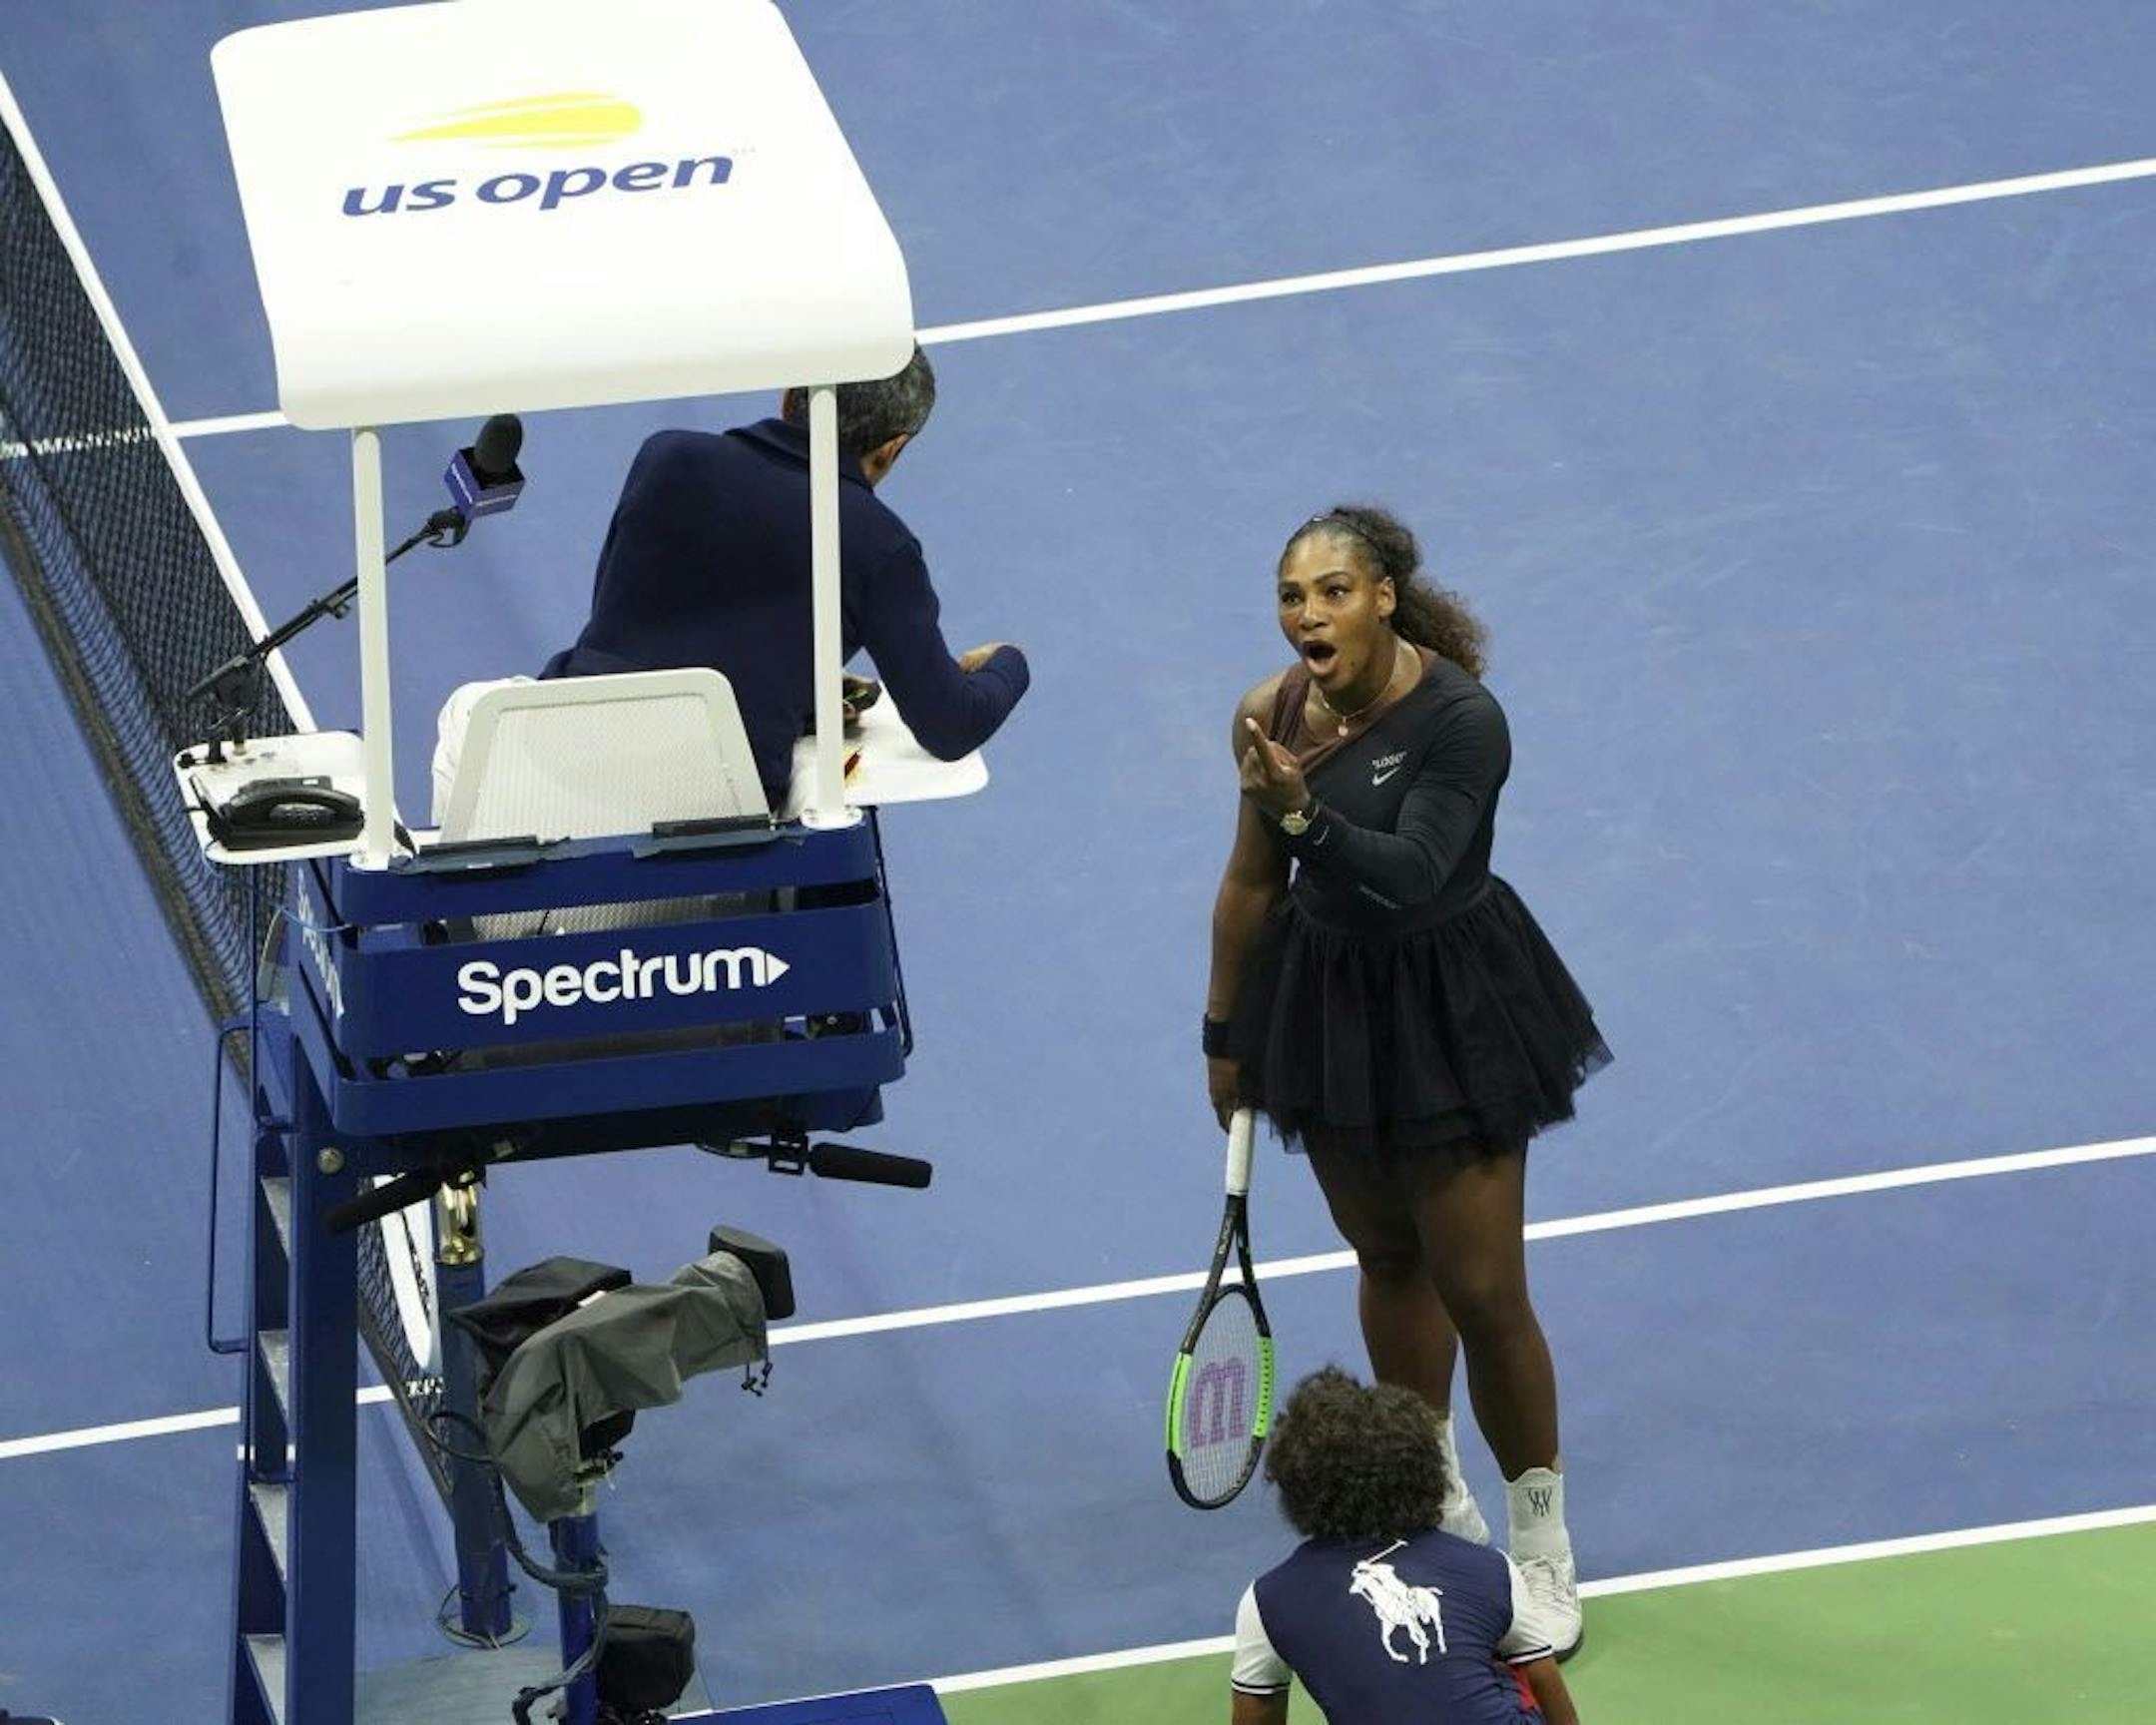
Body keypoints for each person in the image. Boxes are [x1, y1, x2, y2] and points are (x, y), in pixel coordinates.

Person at [1204, 504, 1610, 1656]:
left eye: (1333, 591)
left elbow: (1415, 870)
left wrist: (1299, 809)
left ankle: (1541, 1545)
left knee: (1483, 1292)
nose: (1308, 615)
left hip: (1453, 1003)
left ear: (1385, 594)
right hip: (1326, 1004)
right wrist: (1224, 1033)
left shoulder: (1463, 721)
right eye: (1292, 594)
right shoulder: (1266, 710)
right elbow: (1249, 884)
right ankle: (1432, 1509)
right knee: (1385, 1257)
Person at [540, 343, 1029, 807]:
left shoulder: (666, 456)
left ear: (791, 397)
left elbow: (622, 617)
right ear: (891, 449)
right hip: (709, 797)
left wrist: (795, 687)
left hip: (558, 749)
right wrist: (1009, 663)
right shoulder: (878, 543)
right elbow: (951, 726)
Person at [1231, 1367, 1579, 1725]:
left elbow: (1256, 1716)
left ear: (1297, 1486)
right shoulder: (1492, 1569)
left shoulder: (1266, 1600)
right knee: (1503, 1666)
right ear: (1427, 1471)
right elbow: (1547, 1688)